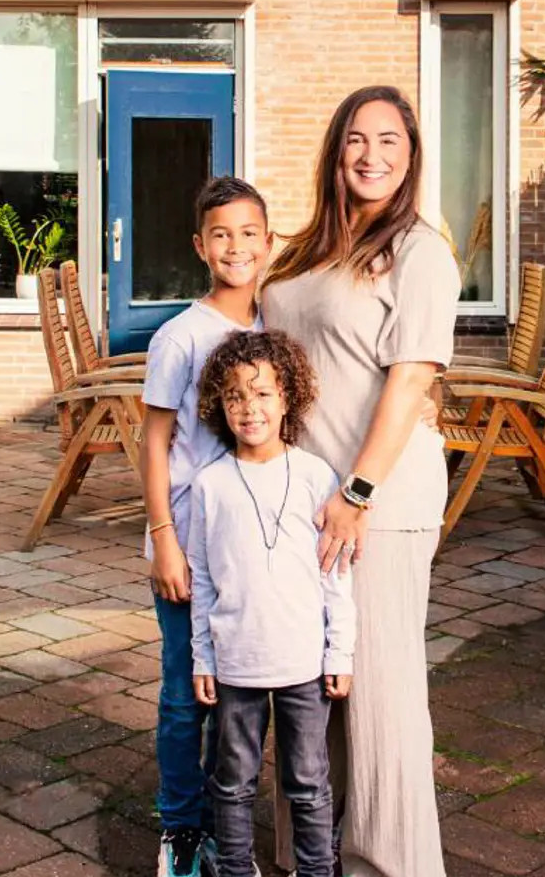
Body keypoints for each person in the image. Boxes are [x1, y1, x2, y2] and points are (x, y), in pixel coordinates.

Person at [261, 85, 460, 877]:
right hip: (305, 504)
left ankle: (393, 866)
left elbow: (411, 380)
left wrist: (357, 493)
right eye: (355, 139)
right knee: (310, 690)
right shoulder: (311, 246)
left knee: (379, 698)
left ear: (410, 158)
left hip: (378, 503)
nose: (371, 155)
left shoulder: (419, 252)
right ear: (335, 152)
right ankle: (309, 855)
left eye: (389, 141)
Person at [139, 175, 271, 877]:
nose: (236, 246)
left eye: (249, 232)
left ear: (268, 241)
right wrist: (163, 538)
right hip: (188, 548)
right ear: (199, 245)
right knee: (184, 695)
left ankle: (228, 823)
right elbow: (154, 439)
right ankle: (181, 829)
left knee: (239, 696)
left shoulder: (270, 330)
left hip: (249, 551)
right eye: (221, 234)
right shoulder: (180, 336)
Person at [188, 329, 354, 877]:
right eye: (235, 396)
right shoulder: (210, 485)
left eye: (262, 393)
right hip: (236, 663)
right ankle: (235, 868)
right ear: (220, 404)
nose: (248, 408)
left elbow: (336, 576)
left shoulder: (315, 477)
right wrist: (203, 659)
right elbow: (204, 581)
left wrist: (340, 654)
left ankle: (316, 871)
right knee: (232, 782)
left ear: (287, 399)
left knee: (308, 782)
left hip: (304, 664)